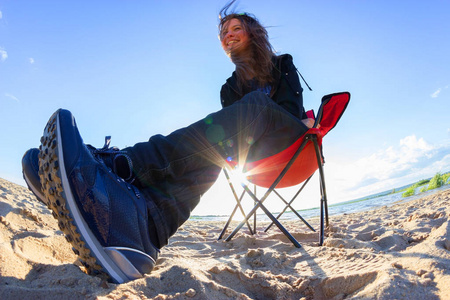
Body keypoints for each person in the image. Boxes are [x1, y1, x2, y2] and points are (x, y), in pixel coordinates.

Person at [22, 1, 313, 284]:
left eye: (235, 28)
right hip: (253, 156)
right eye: (223, 33)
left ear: (253, 32)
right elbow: (231, 134)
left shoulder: (282, 64)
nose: (228, 35)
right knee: (212, 155)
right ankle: (144, 224)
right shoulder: (229, 88)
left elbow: (291, 112)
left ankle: (124, 164)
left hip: (292, 145)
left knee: (255, 106)